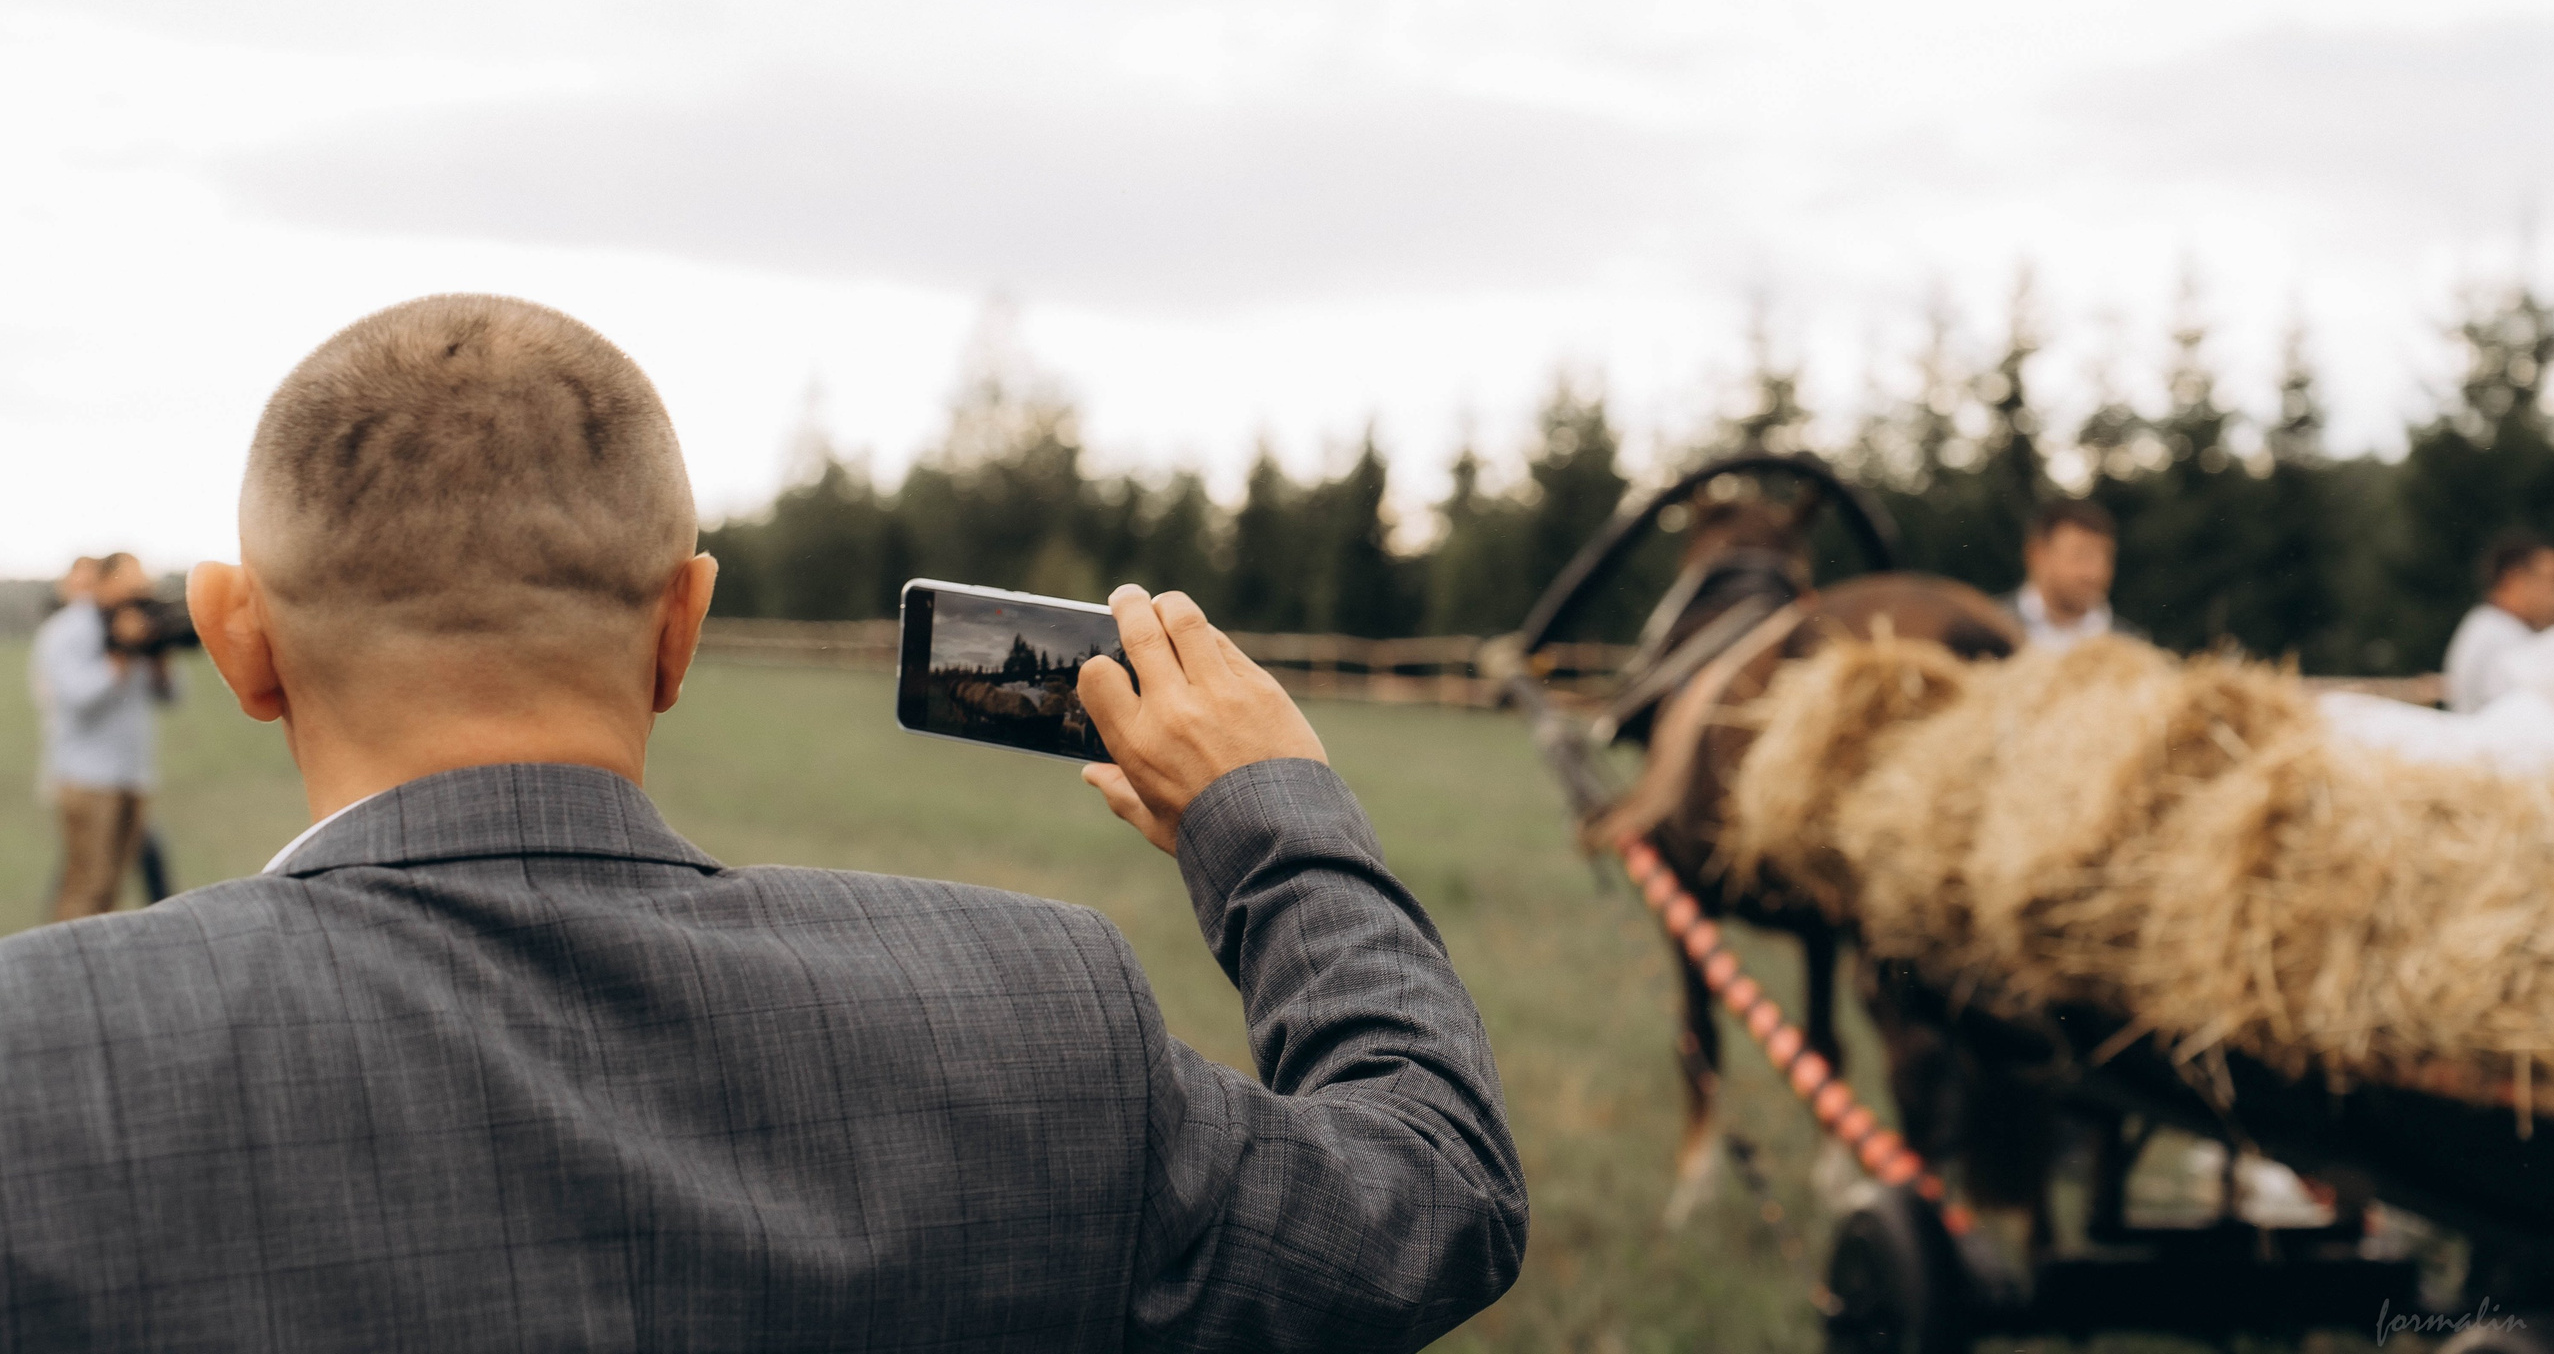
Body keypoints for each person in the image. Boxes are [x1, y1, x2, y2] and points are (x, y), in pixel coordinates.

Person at [0, 295, 1525, 1350]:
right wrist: (1268, 818)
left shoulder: (40, 1066)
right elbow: (1432, 1199)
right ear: (685, 626)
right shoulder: (1045, 1018)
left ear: (236, 635)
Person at [28, 549, 176, 921]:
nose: (140, 589)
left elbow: (171, 696)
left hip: (133, 773)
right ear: (106, 582)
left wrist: (156, 653)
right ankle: (58, 972)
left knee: (111, 888)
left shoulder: (137, 620)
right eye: (131, 580)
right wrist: (121, 653)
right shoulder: (67, 630)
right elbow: (76, 698)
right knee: (85, 887)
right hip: (86, 776)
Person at [2442, 531, 2554, 714]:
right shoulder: (2500, 638)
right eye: (2552, 580)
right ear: (2513, 579)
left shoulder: (2489, 625)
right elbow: (2522, 717)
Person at [2005, 499, 2141, 650]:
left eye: (2106, 558)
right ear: (2037, 555)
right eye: (2081, 556)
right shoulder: (1988, 630)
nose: (2095, 573)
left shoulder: (2132, 645)